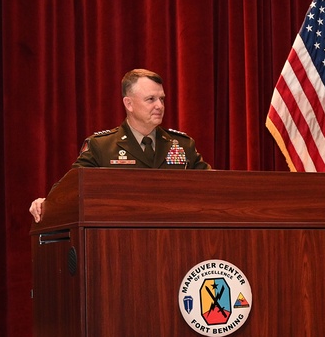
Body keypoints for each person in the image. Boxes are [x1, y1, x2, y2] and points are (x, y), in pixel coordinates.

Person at [30, 68, 209, 222]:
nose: (159, 106)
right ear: (128, 103)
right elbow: (69, 190)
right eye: (151, 99)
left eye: (161, 99)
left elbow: (214, 188)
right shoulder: (101, 147)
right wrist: (46, 203)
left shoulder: (182, 145)